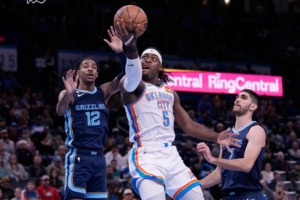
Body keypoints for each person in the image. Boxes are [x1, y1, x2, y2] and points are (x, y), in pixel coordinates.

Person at [114, 19, 239, 200]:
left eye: (153, 58)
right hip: (147, 154)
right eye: (144, 58)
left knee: (197, 197)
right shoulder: (132, 86)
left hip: (171, 155)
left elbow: (188, 125)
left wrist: (216, 137)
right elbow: (132, 73)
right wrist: (131, 47)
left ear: (161, 67)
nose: (147, 60)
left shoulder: (171, 93)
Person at [56, 26, 126, 200]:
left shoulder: (103, 92)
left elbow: (128, 74)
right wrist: (69, 94)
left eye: (93, 67)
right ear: (78, 73)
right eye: (85, 66)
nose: (90, 69)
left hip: (100, 159)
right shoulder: (70, 94)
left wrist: (121, 53)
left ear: (97, 73)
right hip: (79, 156)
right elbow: (60, 111)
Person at [196, 89, 266, 200]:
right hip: (228, 196)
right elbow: (219, 173)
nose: (237, 100)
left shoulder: (255, 130)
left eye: (243, 97)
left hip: (248, 194)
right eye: (237, 97)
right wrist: (192, 186)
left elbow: (246, 165)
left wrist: (212, 159)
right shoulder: (226, 135)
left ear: (252, 106)